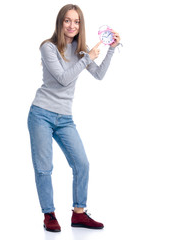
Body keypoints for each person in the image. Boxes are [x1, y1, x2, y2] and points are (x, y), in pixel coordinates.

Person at [27, 4, 121, 232]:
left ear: (81, 25)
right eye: (68, 21)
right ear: (60, 23)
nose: (72, 25)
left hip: (65, 118)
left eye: (77, 21)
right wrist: (86, 57)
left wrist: (110, 50)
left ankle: (79, 214)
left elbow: (98, 75)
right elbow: (62, 79)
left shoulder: (81, 50)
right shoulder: (48, 47)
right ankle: (49, 215)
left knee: (82, 164)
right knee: (44, 168)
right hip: (41, 114)